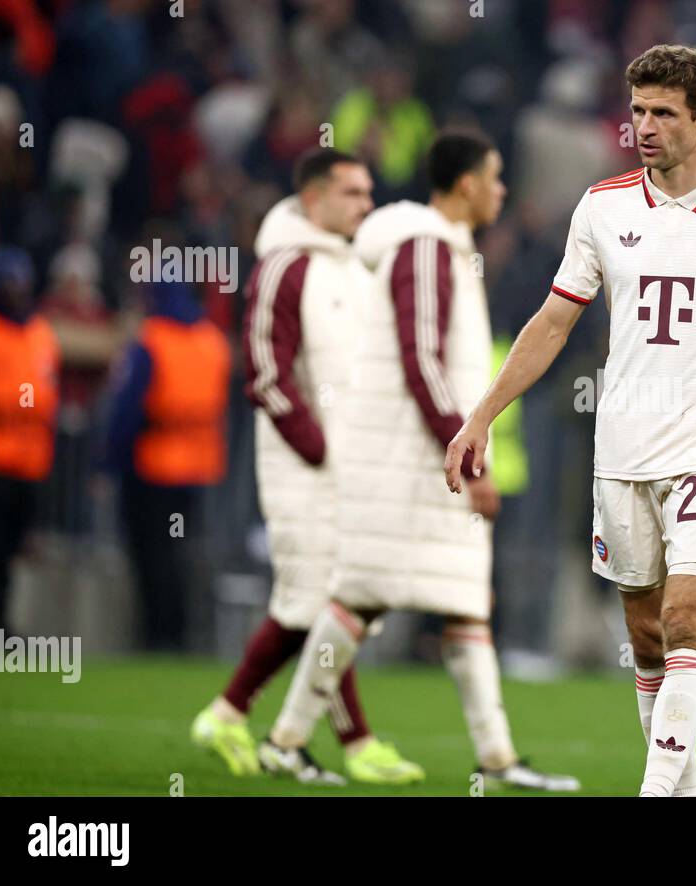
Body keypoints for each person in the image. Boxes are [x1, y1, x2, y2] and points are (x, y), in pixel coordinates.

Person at [444, 45, 696, 797]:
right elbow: (554, 323)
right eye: (638, 111)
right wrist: (481, 415)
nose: (644, 127)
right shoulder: (603, 207)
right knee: (648, 637)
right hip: (621, 446)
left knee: (690, 618)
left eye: (663, 113)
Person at [263, 132, 580, 791]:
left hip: (409, 457)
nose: (501, 190)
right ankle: (288, 739)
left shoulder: (440, 247)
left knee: (439, 600)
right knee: (376, 596)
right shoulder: (427, 246)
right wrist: (470, 456)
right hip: (409, 463)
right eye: (494, 178)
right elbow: (423, 359)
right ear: (466, 184)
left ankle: (491, 758)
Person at [190, 148, 423, 786]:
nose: (366, 204)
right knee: (322, 601)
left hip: (352, 467)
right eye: (353, 193)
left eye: (369, 192)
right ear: (313, 198)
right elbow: (265, 373)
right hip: (301, 467)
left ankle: (234, 713)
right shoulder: (285, 265)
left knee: (328, 604)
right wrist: (319, 447)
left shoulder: (354, 269)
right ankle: (349, 740)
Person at [104, 278, 229, 651]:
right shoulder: (212, 341)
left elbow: (127, 412)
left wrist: (108, 462)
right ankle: (180, 631)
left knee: (152, 554)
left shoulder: (152, 340)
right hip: (195, 471)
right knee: (179, 549)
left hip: (153, 468)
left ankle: (158, 633)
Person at [0, 247, 59, 636]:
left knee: (10, 549)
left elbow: (47, 396)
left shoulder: (39, 334)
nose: (16, 290)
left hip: (29, 462)